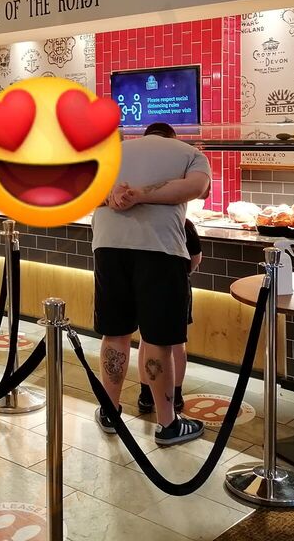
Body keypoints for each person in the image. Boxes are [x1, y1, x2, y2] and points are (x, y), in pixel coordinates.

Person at [91, 123, 211, 446]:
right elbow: (197, 188)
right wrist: (141, 195)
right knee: (158, 339)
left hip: (108, 247)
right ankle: (167, 424)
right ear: (172, 137)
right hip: (161, 249)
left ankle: (110, 412)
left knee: (115, 333)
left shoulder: (113, 153)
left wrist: (116, 196)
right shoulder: (191, 153)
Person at [134, 121, 203, 414]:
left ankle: (145, 395)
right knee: (174, 343)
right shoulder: (183, 223)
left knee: (146, 340)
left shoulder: (135, 213)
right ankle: (173, 398)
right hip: (173, 280)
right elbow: (194, 260)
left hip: (138, 276)